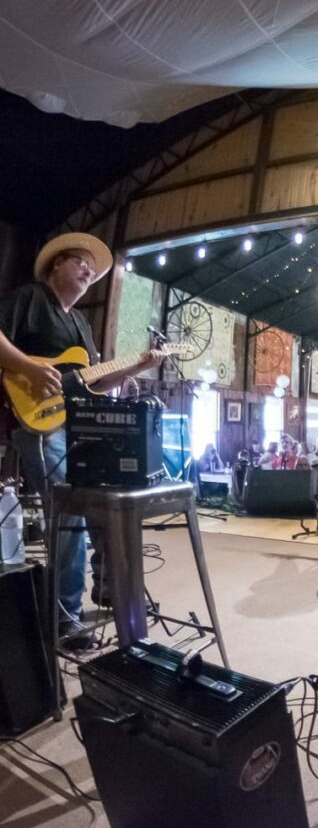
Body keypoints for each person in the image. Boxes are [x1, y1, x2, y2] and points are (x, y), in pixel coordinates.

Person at [0, 233, 166, 643]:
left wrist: (137, 366)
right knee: (69, 512)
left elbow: (92, 379)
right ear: (57, 264)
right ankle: (65, 618)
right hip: (38, 424)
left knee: (108, 501)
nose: (89, 271)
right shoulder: (29, 298)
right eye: (81, 262)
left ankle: (109, 587)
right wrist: (32, 370)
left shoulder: (79, 323)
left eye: (93, 269)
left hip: (78, 425)